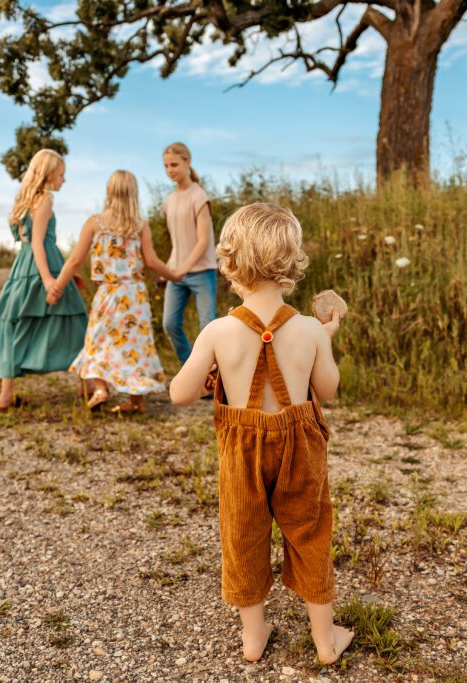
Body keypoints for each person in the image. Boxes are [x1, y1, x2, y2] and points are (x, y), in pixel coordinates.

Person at [169, 203, 351, 664]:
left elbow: (180, 394)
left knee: (243, 533)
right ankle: (325, 641)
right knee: (309, 530)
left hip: (241, 452)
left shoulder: (217, 330)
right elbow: (326, 389)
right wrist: (325, 337)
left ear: (229, 262)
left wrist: (211, 365)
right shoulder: (309, 328)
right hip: (300, 447)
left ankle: (254, 637)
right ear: (292, 264)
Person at [52, 170, 182, 413]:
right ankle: (137, 402)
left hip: (108, 294)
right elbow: (152, 262)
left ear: (109, 192)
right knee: (135, 347)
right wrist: (175, 275)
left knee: (96, 341)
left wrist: (57, 287)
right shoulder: (139, 225)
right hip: (134, 296)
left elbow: (74, 261)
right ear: (133, 193)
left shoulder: (95, 223)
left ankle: (100, 388)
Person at [0, 149, 87, 411]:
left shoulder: (23, 199)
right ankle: (87, 386)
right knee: (76, 321)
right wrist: (48, 279)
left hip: (22, 267)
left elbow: (27, 243)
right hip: (43, 264)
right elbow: (37, 243)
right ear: (48, 174)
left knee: (14, 324)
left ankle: (5, 396)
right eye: (61, 174)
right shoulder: (44, 199)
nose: (63, 180)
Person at [161, 142, 217, 365]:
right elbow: (179, 241)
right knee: (170, 324)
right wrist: (169, 269)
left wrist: (184, 268)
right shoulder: (169, 200)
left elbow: (203, 242)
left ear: (187, 162)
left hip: (202, 271)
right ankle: (192, 368)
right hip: (176, 274)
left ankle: (214, 377)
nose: (170, 170)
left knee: (208, 328)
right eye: (165, 166)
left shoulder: (199, 196)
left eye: (174, 164)